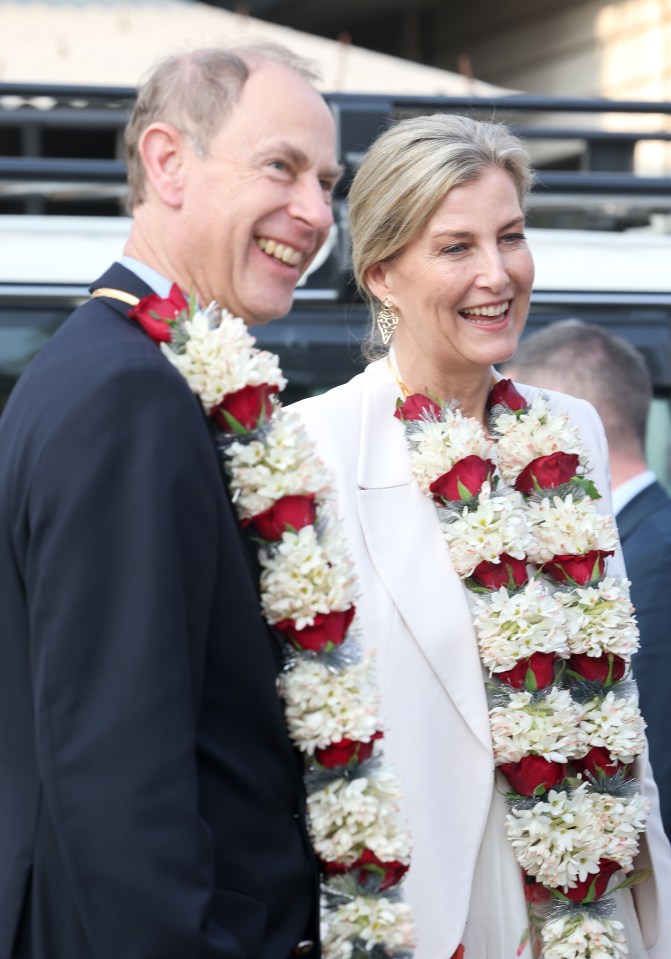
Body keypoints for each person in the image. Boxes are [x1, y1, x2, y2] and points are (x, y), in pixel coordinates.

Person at [292, 113, 671, 958]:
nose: (497, 274)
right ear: (383, 271)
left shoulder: (568, 429)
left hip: (593, 915)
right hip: (422, 919)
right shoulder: (313, 447)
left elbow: (610, 698)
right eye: (456, 247)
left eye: (510, 236)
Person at [0, 45, 341, 959]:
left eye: (326, 181)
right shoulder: (128, 394)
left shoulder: (122, 368)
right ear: (167, 161)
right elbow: (117, 774)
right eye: (282, 166)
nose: (315, 213)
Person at [503, 318, 671, 840]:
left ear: (566, 429)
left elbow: (651, 746)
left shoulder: (653, 561)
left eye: (514, 428)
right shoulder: (636, 541)